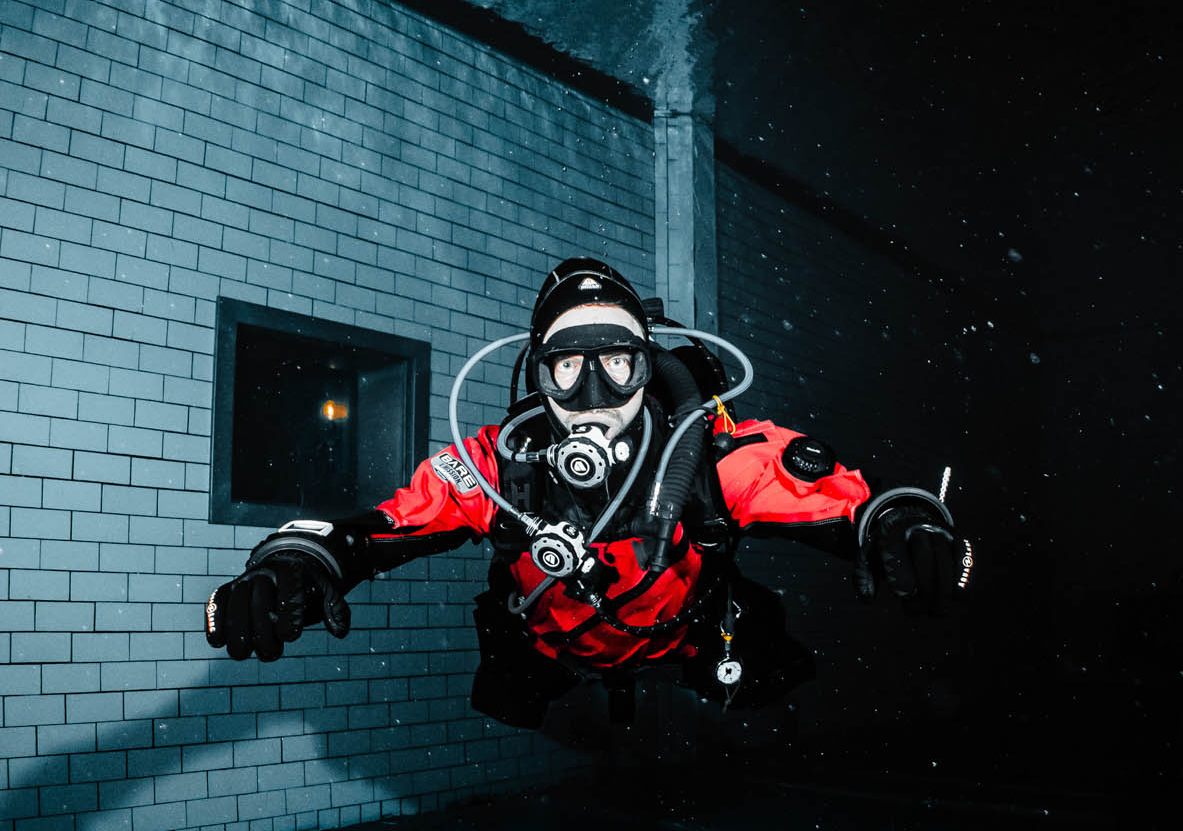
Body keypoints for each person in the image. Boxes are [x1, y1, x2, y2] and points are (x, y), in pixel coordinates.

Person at [203, 257, 971, 729]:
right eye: (567, 368)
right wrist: (295, 562)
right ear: (537, 376)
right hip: (547, 649)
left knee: (761, 657)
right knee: (510, 686)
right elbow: (387, 523)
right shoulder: (502, 463)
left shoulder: (704, 451)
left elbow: (817, 489)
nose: (594, 392)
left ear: (647, 366)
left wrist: (897, 522)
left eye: (618, 364)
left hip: (690, 642)